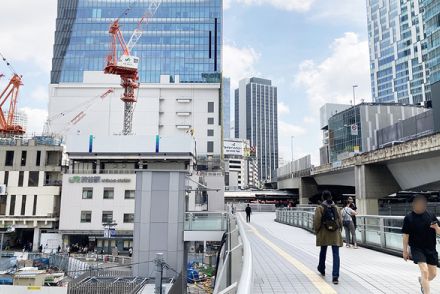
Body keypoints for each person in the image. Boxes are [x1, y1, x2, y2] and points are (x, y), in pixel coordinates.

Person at [402, 194, 440, 294]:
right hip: (416, 248)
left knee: (433, 274)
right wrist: (405, 251)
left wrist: (436, 228)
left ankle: (422, 281)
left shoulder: (431, 216)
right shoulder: (408, 218)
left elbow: (439, 232)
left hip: (431, 248)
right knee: (424, 271)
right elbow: (405, 235)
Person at [314, 190, 343, 285]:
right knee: (336, 254)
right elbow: (340, 220)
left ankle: (321, 268)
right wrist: (340, 230)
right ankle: (335, 276)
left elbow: (317, 221)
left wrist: (316, 230)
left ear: (323, 198)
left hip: (324, 232)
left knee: (323, 250)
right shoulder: (336, 207)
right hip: (335, 233)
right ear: (331, 197)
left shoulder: (320, 208)